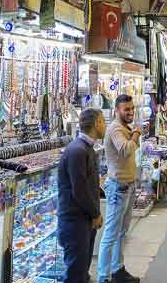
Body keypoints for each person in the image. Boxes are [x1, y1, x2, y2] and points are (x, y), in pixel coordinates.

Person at [98, 95, 142, 283]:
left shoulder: (125, 127)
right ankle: (103, 277)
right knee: (110, 234)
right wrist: (136, 135)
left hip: (127, 186)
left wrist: (134, 135)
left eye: (132, 108)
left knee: (122, 232)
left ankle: (118, 269)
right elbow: (125, 149)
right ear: (117, 110)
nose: (130, 112)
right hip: (118, 188)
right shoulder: (116, 128)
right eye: (126, 109)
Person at [58, 108, 105, 283]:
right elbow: (80, 190)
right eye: (103, 121)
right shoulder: (78, 151)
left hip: (83, 221)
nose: (105, 125)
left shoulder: (86, 149)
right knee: (75, 274)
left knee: (81, 271)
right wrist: (96, 213)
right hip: (75, 223)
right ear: (97, 123)